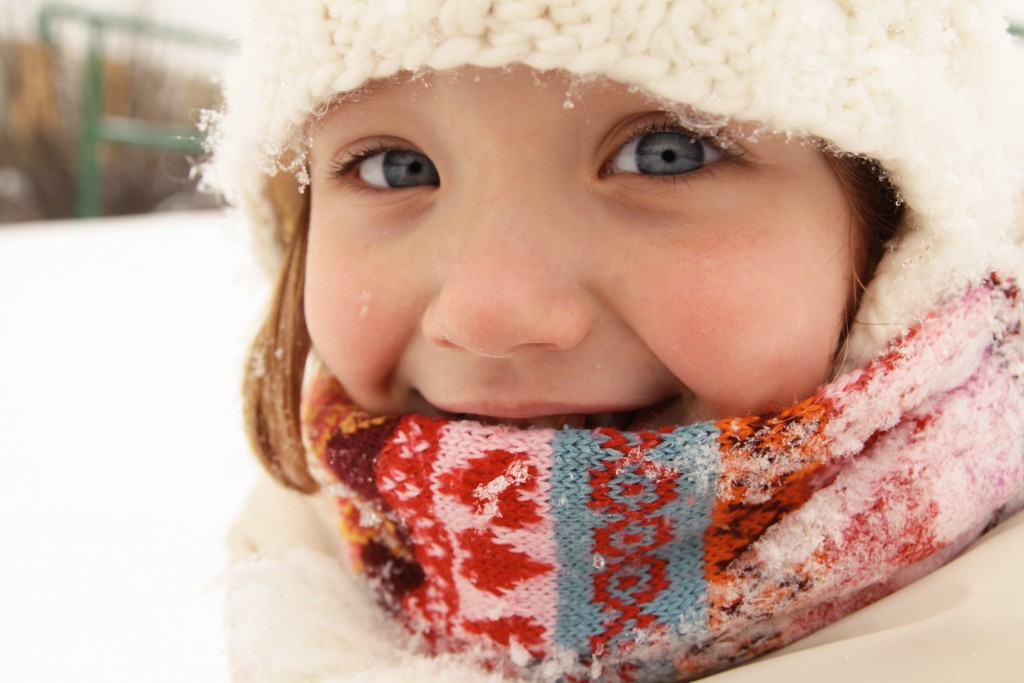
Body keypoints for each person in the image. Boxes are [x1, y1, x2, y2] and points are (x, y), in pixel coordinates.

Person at [203, 1, 1024, 681]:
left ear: (901, 237)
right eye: (395, 168)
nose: (489, 314)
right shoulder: (299, 565)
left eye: (665, 154)